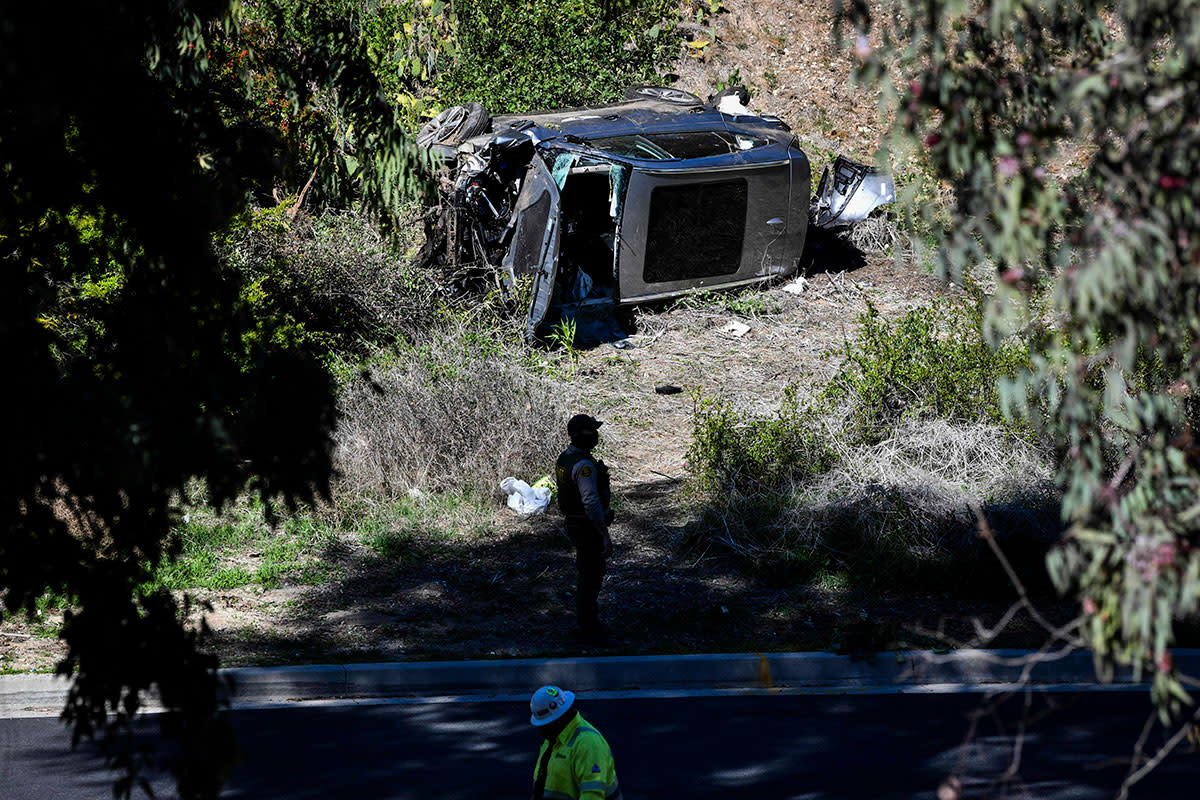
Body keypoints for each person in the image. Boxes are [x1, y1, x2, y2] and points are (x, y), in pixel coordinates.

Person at [555, 413, 614, 643]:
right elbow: (591, 502)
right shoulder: (584, 466)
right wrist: (604, 534)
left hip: (574, 523)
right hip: (585, 526)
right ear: (582, 435)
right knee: (592, 575)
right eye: (592, 430)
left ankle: (587, 624)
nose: (596, 435)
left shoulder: (565, 458)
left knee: (586, 572)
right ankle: (589, 628)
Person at [529, 685, 622, 800]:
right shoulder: (553, 739)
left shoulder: (588, 744)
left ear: (558, 720)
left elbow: (592, 795)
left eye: (545, 725)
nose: (541, 730)